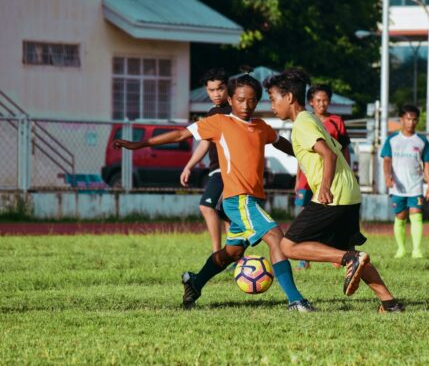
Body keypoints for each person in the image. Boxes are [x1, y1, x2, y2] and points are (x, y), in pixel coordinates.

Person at [113, 74, 313, 312]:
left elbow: (279, 141)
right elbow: (179, 135)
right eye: (240, 99)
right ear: (230, 99)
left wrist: (304, 154)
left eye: (252, 100)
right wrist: (139, 145)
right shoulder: (220, 123)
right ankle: (296, 300)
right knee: (276, 238)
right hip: (237, 200)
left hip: (252, 200)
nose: (246, 105)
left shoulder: (261, 127)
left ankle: (195, 282)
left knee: (232, 252)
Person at [264, 69, 404, 313]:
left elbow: (327, 154)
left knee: (287, 246)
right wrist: (274, 140)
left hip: (333, 194)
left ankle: (348, 260)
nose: (271, 105)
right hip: (349, 193)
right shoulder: (311, 120)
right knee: (353, 254)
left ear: (288, 98)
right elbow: (314, 150)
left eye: (273, 98)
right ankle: (389, 303)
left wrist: (325, 187)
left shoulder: (302, 124)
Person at [294, 84, 351, 270]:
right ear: (311, 102)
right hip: (307, 178)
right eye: (318, 100)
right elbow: (301, 154)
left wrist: (348, 172)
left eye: (325, 100)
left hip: (329, 177)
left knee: (332, 215)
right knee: (305, 215)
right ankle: (305, 258)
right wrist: (297, 179)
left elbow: (344, 150)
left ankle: (337, 253)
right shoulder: (305, 121)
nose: (322, 103)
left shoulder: (336, 121)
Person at [180, 68, 231, 253]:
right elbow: (204, 143)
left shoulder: (235, 111)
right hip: (216, 169)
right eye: (211, 90)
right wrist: (189, 166)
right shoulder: (211, 113)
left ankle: (217, 253)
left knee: (207, 206)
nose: (216, 94)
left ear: (228, 88)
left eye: (220, 88)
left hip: (228, 170)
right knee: (226, 213)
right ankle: (232, 255)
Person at [380, 104, 429, 259]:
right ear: (402, 120)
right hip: (397, 186)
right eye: (408, 119)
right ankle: (401, 249)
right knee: (400, 217)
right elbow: (386, 160)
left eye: (414, 120)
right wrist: (387, 176)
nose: (411, 123)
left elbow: (427, 164)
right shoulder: (392, 140)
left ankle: (417, 250)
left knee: (416, 215)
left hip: (416, 185)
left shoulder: (422, 141)